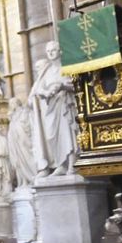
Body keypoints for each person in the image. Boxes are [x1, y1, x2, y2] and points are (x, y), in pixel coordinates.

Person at [29, 41, 79, 177]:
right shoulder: (47, 71)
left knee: (67, 134)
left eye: (53, 50)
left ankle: (72, 165)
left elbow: (76, 86)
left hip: (65, 104)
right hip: (51, 107)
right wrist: (45, 92)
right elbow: (38, 88)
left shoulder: (66, 67)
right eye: (48, 51)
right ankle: (61, 164)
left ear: (60, 51)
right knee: (53, 136)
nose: (50, 53)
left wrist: (62, 87)